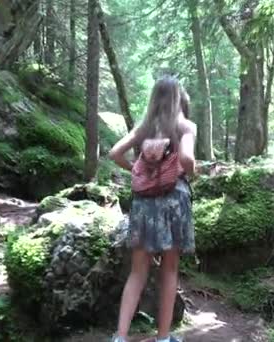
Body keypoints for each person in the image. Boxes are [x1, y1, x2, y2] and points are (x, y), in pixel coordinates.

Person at [108, 76, 197, 342]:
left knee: (138, 272)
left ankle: (120, 337)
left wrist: (136, 170)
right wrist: (190, 172)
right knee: (169, 270)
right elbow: (187, 158)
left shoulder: (143, 128)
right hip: (173, 201)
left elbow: (114, 153)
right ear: (178, 98)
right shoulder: (185, 126)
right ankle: (163, 338)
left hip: (144, 203)